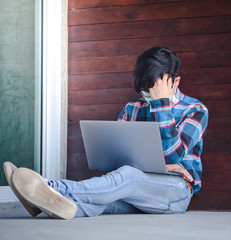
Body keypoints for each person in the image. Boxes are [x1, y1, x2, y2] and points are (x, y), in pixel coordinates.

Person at [3, 47, 209, 219]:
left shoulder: (195, 110)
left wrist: (161, 105)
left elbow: (173, 155)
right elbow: (118, 162)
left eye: (154, 89)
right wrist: (162, 166)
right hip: (134, 189)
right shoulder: (132, 109)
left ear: (175, 82)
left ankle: (49, 186)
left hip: (176, 192)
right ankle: (42, 204)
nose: (148, 96)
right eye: (146, 89)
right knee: (100, 201)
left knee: (129, 176)